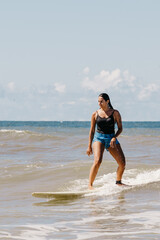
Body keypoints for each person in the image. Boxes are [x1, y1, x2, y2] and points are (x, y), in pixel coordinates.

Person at [86, 93, 126, 189]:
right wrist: (89, 146)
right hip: (98, 138)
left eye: (101, 101)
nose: (99, 103)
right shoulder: (95, 114)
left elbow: (120, 128)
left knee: (122, 163)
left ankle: (118, 181)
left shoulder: (115, 113)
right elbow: (92, 130)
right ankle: (90, 185)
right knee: (97, 161)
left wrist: (114, 137)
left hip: (111, 138)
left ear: (107, 101)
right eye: (98, 101)